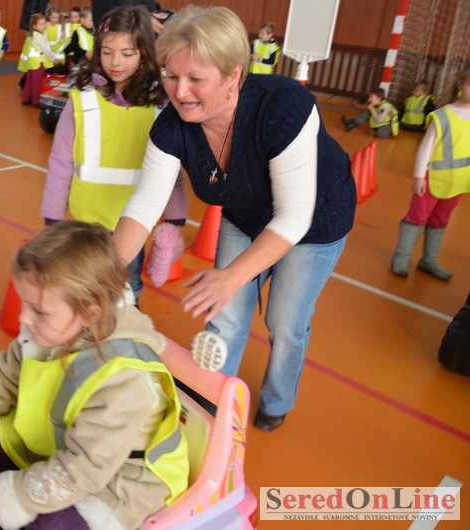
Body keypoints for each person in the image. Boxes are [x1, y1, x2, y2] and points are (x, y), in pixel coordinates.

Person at [112, 6, 356, 432]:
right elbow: (144, 205)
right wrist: (103, 274)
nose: (180, 92)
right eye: (171, 76)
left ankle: (277, 400)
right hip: (245, 214)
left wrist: (231, 277)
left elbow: (294, 216)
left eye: (195, 79)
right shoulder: (172, 127)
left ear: (232, 76)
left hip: (315, 220)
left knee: (285, 321)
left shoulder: (282, 107)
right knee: (223, 316)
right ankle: (212, 403)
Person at [0, 220, 189, 530]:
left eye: (39, 311)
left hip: (118, 481)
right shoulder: (51, 332)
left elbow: (83, 469)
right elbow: (0, 379)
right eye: (24, 303)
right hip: (63, 444)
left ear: (90, 314)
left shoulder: (125, 380)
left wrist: (1, 503)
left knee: (53, 525)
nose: (23, 318)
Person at [40, 5, 187, 303]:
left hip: (132, 223)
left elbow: (170, 170)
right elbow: (60, 162)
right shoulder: (81, 100)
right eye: (107, 52)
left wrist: (176, 218)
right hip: (85, 222)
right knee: (85, 291)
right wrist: (53, 216)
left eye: (127, 53)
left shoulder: (159, 105)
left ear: (144, 53)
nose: (115, 62)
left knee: (127, 291)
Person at [390, 65, 470, 281]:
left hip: (458, 182)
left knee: (441, 219)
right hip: (431, 178)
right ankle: (401, 257)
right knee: (417, 216)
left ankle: (428, 259)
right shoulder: (443, 115)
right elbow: (426, 147)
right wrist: (418, 175)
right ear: (460, 84)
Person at [17, 13, 60, 106]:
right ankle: (36, 102)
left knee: (29, 80)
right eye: (41, 24)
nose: (44, 25)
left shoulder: (31, 36)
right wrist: (54, 59)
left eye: (44, 23)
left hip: (30, 63)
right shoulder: (39, 37)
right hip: (38, 63)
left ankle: (25, 99)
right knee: (37, 82)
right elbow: (46, 50)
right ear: (34, 26)